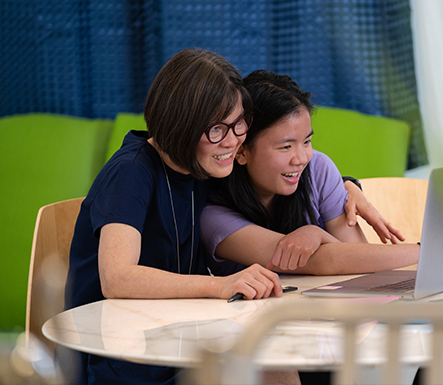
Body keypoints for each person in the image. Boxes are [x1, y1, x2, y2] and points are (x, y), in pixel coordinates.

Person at [64, 49, 400, 385]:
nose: (233, 142)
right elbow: (117, 278)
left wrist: (348, 186)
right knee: (271, 359)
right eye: (217, 130)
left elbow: (288, 166)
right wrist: (220, 285)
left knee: (278, 351)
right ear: (181, 126)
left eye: (239, 124)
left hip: (175, 342)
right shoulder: (132, 172)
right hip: (120, 358)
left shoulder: (198, 168)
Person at [200, 70, 420, 278]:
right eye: (285, 147)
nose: (301, 158)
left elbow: (360, 259)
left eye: (306, 142)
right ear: (241, 152)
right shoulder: (213, 214)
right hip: (257, 317)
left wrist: (319, 234)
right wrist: (429, 252)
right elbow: (321, 261)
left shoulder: (318, 169)